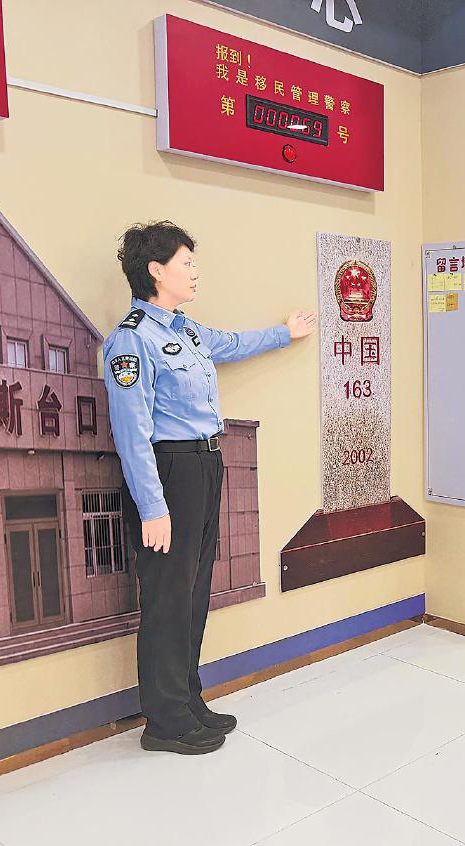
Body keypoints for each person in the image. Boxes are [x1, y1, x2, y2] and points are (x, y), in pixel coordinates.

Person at [103, 221, 316, 755]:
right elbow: (132, 433)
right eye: (187, 263)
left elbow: (233, 344)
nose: (195, 271)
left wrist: (284, 332)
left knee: (194, 592)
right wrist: (152, 506)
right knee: (167, 598)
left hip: (204, 465)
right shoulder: (132, 340)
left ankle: (187, 699)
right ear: (156, 270)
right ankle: (164, 720)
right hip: (168, 472)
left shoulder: (186, 330)